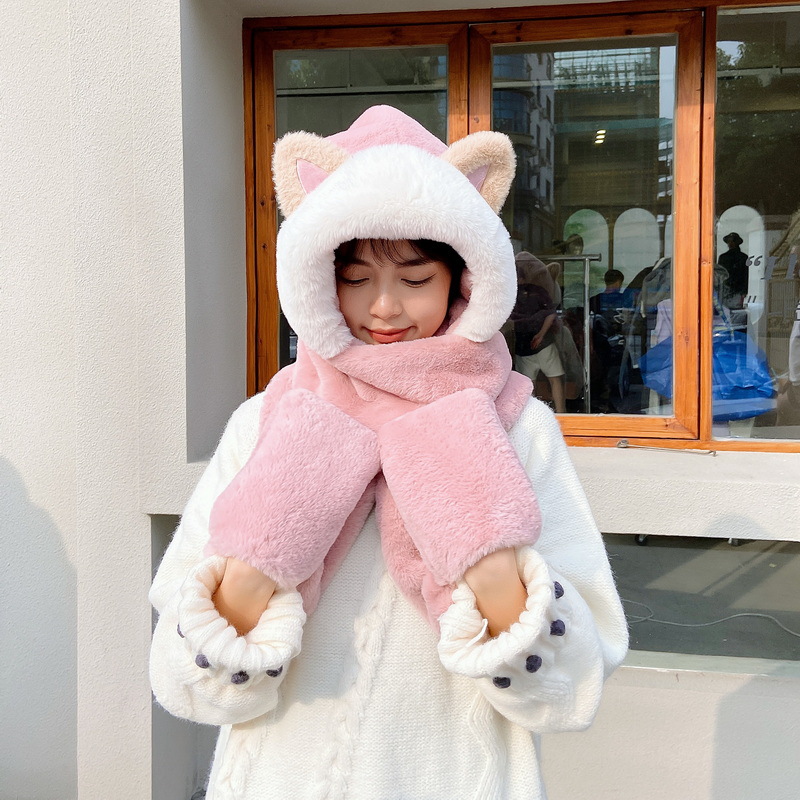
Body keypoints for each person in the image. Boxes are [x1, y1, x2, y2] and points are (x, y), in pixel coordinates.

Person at [149, 106, 628, 800]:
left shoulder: (516, 427)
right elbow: (185, 685)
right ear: (319, 276)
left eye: (414, 278)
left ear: (463, 277)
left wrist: (483, 544)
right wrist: (268, 542)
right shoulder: (268, 422)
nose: (383, 308)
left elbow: (569, 690)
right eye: (355, 278)